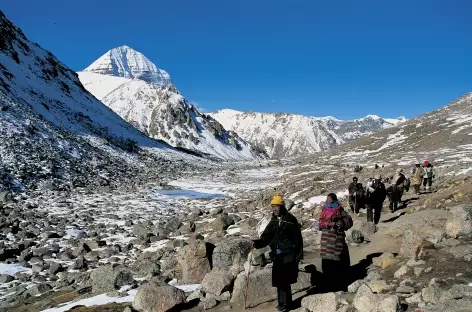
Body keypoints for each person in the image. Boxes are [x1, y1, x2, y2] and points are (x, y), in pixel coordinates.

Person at [253, 194, 303, 312]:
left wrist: (298, 255)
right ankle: (283, 303)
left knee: (285, 281)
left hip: (288, 255)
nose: (274, 209)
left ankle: (285, 305)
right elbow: (266, 236)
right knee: (280, 281)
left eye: (277, 206)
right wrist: (257, 243)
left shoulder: (290, 220)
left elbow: (298, 239)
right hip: (278, 255)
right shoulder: (274, 221)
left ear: (282, 207)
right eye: (273, 206)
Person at [318, 193, 353, 292]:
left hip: (337, 242)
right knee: (327, 264)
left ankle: (340, 286)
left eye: (329, 199)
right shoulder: (324, 210)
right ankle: (330, 287)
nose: (328, 201)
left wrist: (341, 223)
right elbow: (320, 223)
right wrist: (329, 224)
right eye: (327, 199)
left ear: (334, 200)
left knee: (339, 264)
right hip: (326, 242)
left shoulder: (339, 210)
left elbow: (349, 220)